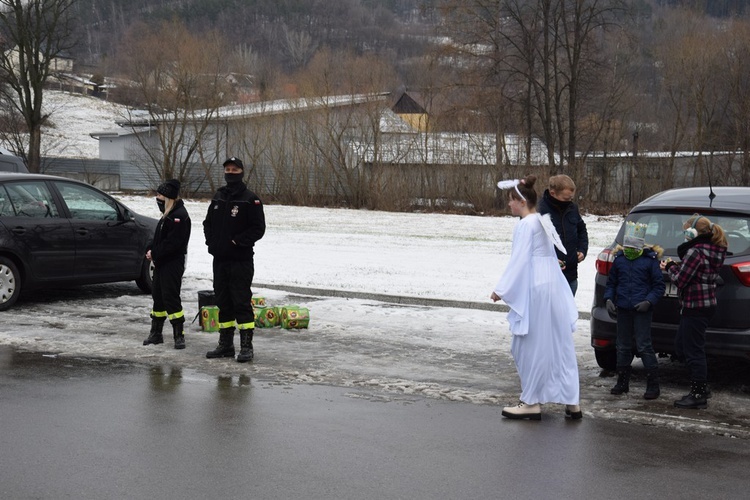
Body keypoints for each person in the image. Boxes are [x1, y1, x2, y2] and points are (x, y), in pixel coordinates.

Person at [491, 175, 581, 421]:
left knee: (527, 345)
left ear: (519, 201)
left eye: (510, 201)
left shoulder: (525, 224)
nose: (509, 205)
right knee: (558, 343)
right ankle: (571, 400)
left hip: (537, 288)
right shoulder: (542, 221)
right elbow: (552, 256)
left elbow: (519, 260)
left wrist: (501, 288)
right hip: (551, 286)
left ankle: (531, 401)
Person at [661, 214, 727, 409]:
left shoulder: (695, 252)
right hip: (705, 304)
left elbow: (682, 280)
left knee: (693, 350)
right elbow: (697, 272)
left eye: (687, 231)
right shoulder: (715, 249)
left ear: (694, 232)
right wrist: (677, 266)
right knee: (682, 346)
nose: (685, 235)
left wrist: (670, 268)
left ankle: (699, 393)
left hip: (695, 306)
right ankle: (702, 385)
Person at [204, 157, 266, 362]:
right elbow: (208, 223)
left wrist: (237, 242)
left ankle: (246, 347)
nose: (230, 172)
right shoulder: (218, 196)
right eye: (227, 169)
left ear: (241, 172)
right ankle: (226, 345)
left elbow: (258, 229)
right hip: (220, 260)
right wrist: (211, 243)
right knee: (223, 302)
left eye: (235, 169)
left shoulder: (250, 199)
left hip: (240, 260)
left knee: (241, 302)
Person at [603, 222, 666, 399]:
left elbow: (658, 286)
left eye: (633, 245)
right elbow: (612, 283)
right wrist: (608, 299)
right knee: (622, 346)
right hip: (623, 308)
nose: (630, 248)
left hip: (642, 310)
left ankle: (653, 384)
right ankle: (622, 382)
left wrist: (648, 301)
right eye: (627, 245)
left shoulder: (649, 261)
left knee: (644, 345)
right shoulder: (620, 260)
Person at [143, 179, 192, 349]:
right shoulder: (168, 215)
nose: (157, 198)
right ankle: (156, 333)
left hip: (172, 264)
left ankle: (179, 336)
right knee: (158, 298)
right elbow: (159, 238)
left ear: (168, 197)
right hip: (161, 263)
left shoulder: (179, 216)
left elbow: (173, 243)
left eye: (159, 195)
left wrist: (155, 252)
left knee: (171, 298)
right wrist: (150, 249)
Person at [537, 174, 588, 296]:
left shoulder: (572, 208)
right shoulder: (538, 210)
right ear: (553, 193)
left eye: (571, 198)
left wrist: (582, 249)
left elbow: (581, 230)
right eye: (566, 199)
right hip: (546, 278)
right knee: (548, 314)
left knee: (567, 315)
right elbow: (529, 243)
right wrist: (548, 259)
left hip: (570, 276)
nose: (569, 202)